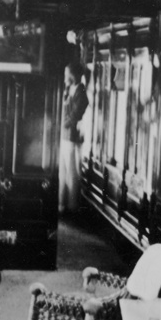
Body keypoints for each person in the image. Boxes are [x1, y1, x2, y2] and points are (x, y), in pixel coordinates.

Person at [59, 62, 89, 215]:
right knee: (62, 172)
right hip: (64, 136)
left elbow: (75, 115)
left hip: (72, 138)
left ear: (74, 75)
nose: (65, 77)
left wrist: (60, 124)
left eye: (67, 74)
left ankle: (72, 207)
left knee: (72, 173)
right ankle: (61, 204)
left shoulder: (81, 93)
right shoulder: (68, 89)